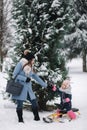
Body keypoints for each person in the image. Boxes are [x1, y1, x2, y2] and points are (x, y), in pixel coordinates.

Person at [12, 50, 47, 123]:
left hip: (28, 88)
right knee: (20, 105)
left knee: (34, 101)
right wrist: (24, 79)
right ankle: (20, 120)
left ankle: (36, 118)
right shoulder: (20, 64)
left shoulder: (30, 66)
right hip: (20, 88)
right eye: (33, 59)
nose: (34, 61)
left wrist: (45, 85)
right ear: (29, 59)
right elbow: (14, 75)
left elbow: (35, 76)